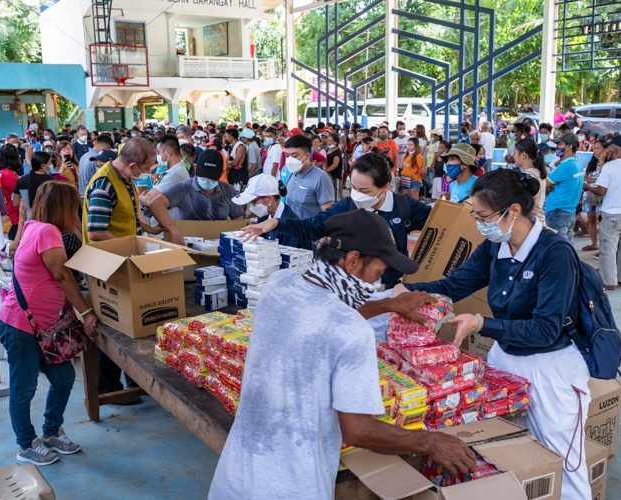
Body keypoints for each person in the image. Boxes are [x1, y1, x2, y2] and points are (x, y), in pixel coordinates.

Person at [210, 211, 476, 500]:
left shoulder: (279, 284)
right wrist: (430, 441)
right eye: (377, 273)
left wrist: (391, 304)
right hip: (291, 488)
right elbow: (358, 431)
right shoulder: (351, 331)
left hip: (234, 477)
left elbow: (324, 314)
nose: (376, 283)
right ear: (351, 261)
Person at [396, 168, 591, 500]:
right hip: (506, 365)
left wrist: (482, 324)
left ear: (513, 211)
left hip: (550, 370)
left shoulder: (554, 252)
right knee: (512, 458)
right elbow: (454, 284)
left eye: (483, 215)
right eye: (474, 214)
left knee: (564, 465)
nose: (478, 222)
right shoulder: (494, 246)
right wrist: (404, 292)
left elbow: (546, 328)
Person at [0, 181, 99, 466]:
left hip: (44, 328)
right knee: (24, 388)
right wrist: (87, 312)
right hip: (20, 327)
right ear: (62, 209)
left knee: (64, 378)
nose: (77, 215)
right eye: (75, 210)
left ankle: (51, 432)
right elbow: (64, 277)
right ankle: (26, 444)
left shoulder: (33, 226)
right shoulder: (47, 231)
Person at [243, 154, 432, 286]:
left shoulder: (404, 206)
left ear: (385, 187)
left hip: (393, 288)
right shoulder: (347, 206)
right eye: (354, 188)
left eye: (364, 191)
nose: (357, 195)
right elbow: (311, 228)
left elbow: (441, 230)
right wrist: (276, 223)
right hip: (354, 288)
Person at [83, 138, 162, 404]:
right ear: (132, 164)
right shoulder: (104, 185)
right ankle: (109, 388)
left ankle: (132, 379)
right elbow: (95, 232)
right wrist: (130, 247)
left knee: (130, 324)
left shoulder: (125, 178)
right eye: (148, 167)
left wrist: (150, 233)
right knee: (114, 325)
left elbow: (129, 218)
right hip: (107, 264)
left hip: (124, 260)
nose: (149, 172)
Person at [147, 149, 245, 246]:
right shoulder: (183, 188)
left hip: (219, 246)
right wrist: (173, 230)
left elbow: (238, 220)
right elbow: (156, 204)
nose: (207, 181)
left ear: (223, 172)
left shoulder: (228, 190)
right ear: (195, 168)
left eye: (211, 178)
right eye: (204, 176)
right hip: (187, 244)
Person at [232, 174, 312, 249]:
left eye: (254, 202)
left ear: (269, 199)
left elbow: (286, 256)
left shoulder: (290, 224)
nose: (251, 207)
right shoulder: (265, 215)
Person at [583, 136, 621, 290]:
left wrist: (588, 187)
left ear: (616, 150)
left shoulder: (610, 167)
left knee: (608, 250)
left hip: (611, 214)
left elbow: (601, 190)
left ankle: (609, 282)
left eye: (609, 149)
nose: (606, 152)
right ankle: (618, 278)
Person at [545, 133, 585, 244]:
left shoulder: (566, 165)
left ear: (569, 146)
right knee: (567, 247)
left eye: (560, 144)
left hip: (558, 213)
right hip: (569, 212)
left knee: (557, 248)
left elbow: (544, 184)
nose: (557, 147)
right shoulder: (578, 164)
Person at [139, 135, 189, 222]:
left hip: (165, 231)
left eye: (158, 152)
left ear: (168, 152)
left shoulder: (176, 173)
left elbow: (150, 200)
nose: (157, 156)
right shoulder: (172, 171)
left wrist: (140, 196)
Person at [283, 135, 335, 220]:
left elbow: (327, 214)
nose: (289, 160)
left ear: (307, 156)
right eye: (287, 156)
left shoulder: (321, 178)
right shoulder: (292, 174)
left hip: (309, 231)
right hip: (290, 229)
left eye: (295, 156)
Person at [513, 139, 548, 225]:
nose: (513, 156)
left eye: (515, 153)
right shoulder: (536, 172)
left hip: (532, 224)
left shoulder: (528, 177)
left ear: (523, 154)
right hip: (538, 221)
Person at [13, 151, 57, 219]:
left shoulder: (21, 181)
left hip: (28, 221)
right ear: (43, 165)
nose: (52, 164)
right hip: (48, 220)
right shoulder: (53, 182)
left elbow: (15, 203)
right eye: (50, 162)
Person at [580, 140, 605, 252]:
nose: (595, 150)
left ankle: (604, 247)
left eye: (598, 148)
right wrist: (596, 180)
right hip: (589, 194)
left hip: (601, 194)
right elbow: (584, 179)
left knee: (602, 219)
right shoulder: (590, 164)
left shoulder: (607, 164)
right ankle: (594, 244)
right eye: (594, 148)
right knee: (591, 218)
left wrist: (602, 162)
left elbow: (605, 180)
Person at [0, 144, 22, 240]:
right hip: (13, 219)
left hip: (11, 217)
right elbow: (22, 192)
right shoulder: (8, 174)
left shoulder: (4, 173)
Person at [78, 134, 114, 201]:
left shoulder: (84, 156)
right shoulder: (98, 160)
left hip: (83, 197)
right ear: (105, 148)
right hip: (92, 198)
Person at [226, 128, 248, 195]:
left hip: (239, 177)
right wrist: (233, 165)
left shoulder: (240, 146)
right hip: (231, 177)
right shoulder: (230, 148)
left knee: (241, 199)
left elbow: (234, 163)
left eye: (226, 136)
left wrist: (230, 164)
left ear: (231, 138)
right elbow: (227, 162)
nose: (225, 138)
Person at [325, 133, 343, 201]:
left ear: (335, 142)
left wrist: (325, 171)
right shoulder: (328, 150)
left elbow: (335, 164)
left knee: (335, 193)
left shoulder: (337, 152)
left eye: (331, 141)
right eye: (328, 140)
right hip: (329, 175)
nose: (328, 142)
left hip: (335, 176)